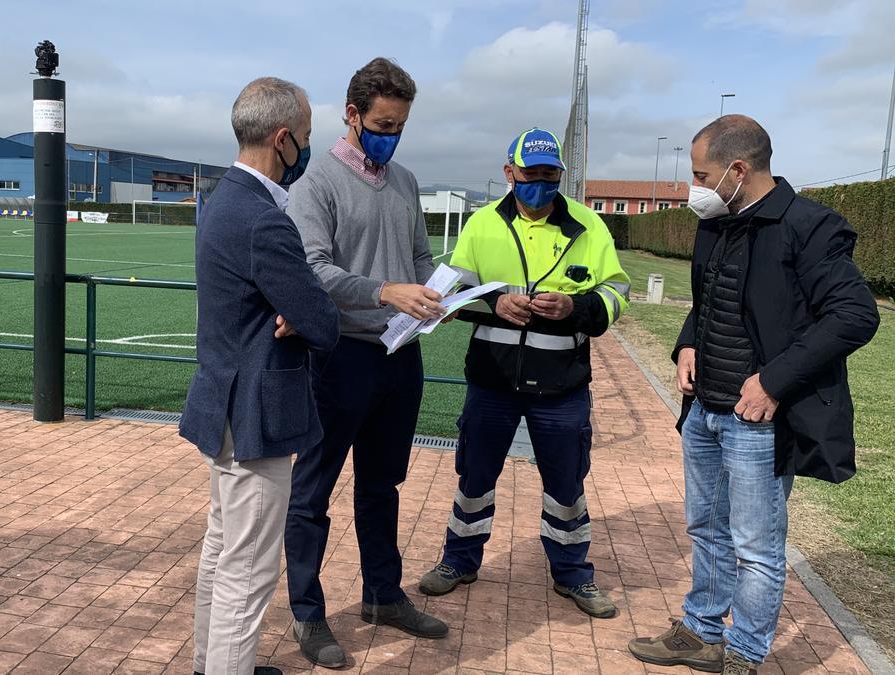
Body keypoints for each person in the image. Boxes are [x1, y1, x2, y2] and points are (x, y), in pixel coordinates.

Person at [628, 115, 879, 675]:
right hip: (705, 411)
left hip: (757, 422)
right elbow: (711, 298)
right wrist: (688, 342)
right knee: (705, 528)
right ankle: (700, 631)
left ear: (738, 170)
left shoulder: (810, 228)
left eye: (701, 174)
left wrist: (773, 380)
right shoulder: (718, 222)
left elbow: (854, 317)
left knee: (755, 545)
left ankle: (744, 653)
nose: (693, 187)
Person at [416, 128, 629, 621]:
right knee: (474, 477)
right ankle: (459, 562)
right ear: (509, 172)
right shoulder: (482, 223)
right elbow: (456, 294)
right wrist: (495, 304)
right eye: (530, 175)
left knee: (566, 484)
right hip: (492, 381)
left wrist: (576, 307)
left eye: (550, 176)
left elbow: (616, 292)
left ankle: (573, 574)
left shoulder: (589, 226)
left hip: (561, 385)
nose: (540, 185)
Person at [283, 57, 448, 669]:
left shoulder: (403, 180)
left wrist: (446, 295)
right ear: (351, 115)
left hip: (399, 355)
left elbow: (421, 259)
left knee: (384, 485)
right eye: (382, 123)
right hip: (338, 358)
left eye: (400, 125)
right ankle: (307, 612)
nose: (391, 135)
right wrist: (385, 290)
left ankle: (382, 595)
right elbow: (311, 269)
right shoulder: (316, 181)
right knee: (313, 491)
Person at [179, 76, 340, 675]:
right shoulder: (264, 219)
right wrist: (303, 314)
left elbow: (289, 308)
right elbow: (320, 319)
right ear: (281, 139)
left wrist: (294, 312)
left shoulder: (221, 200)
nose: (305, 149)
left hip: (223, 402)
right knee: (247, 571)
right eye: (304, 138)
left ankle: (210, 664)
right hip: (256, 416)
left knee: (223, 552)